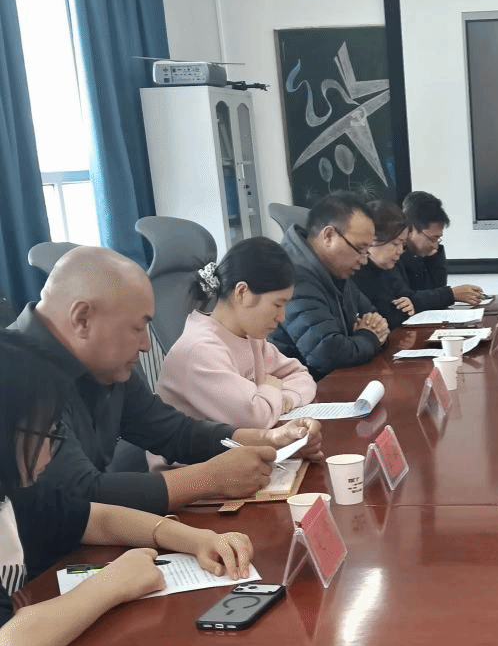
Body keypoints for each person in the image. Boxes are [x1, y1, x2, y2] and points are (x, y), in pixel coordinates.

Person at [0, 331, 255, 646]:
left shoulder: (18, 492)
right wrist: (112, 583)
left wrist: (195, 538)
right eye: (48, 434)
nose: (53, 450)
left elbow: (95, 518)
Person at [7, 246, 321, 515]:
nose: (146, 344)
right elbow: (78, 494)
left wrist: (269, 439)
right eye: (137, 328)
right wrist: (207, 479)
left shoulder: (106, 363)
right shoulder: (16, 375)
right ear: (82, 319)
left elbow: (172, 432)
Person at [156, 237, 316, 428]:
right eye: (277, 304)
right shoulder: (200, 350)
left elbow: (301, 375)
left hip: (242, 443)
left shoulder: (251, 338)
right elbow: (256, 418)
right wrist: (270, 388)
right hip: (201, 449)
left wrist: (286, 398)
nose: (282, 317)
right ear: (242, 293)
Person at [270, 191, 390, 379]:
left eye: (367, 251)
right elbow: (327, 354)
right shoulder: (291, 275)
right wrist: (369, 337)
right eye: (360, 249)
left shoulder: (336, 269)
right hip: (300, 389)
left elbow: (376, 319)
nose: (364, 260)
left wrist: (370, 334)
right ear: (328, 236)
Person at [398, 191, 485, 308]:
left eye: (438, 239)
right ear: (410, 229)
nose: (435, 246)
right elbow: (405, 300)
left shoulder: (426, 253)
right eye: (432, 239)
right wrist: (450, 295)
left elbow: (436, 296)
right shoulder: (392, 256)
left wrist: (434, 258)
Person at [352, 200, 417, 329]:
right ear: (372, 239)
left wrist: (407, 305)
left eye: (403, 244)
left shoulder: (388, 269)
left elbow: (398, 311)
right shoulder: (354, 273)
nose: (400, 251)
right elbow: (380, 321)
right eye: (395, 243)